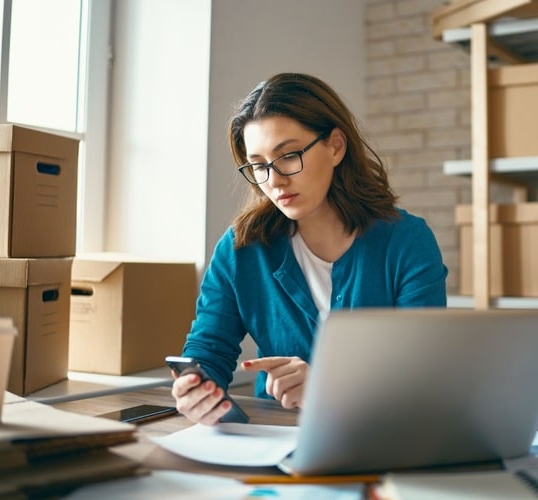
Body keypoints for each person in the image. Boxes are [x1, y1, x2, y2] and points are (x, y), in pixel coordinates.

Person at [171, 72, 447, 425]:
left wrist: (329, 386)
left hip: (381, 436)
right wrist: (196, 388)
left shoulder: (407, 242)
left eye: (288, 156)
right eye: (258, 165)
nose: (274, 180)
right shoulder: (240, 249)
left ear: (336, 146)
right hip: (276, 435)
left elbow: (425, 373)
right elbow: (208, 349)